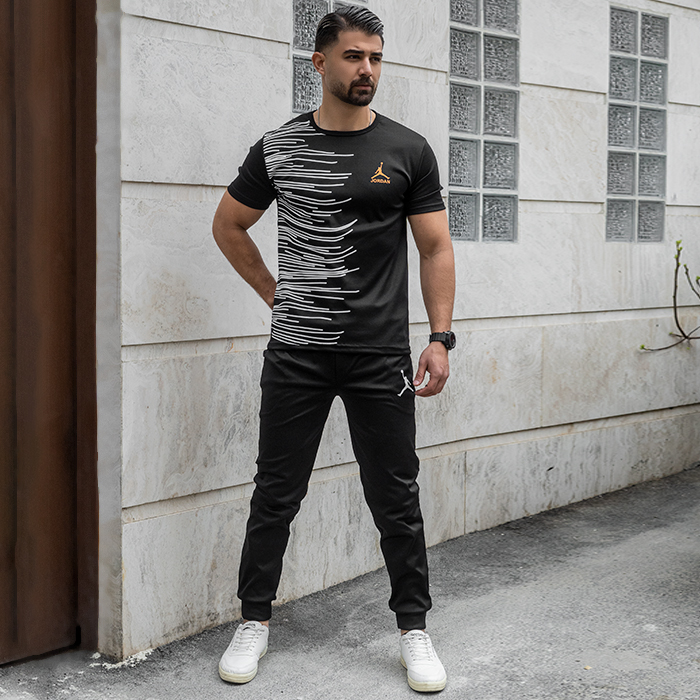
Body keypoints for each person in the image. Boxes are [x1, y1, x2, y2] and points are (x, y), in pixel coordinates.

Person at [212, 5, 456, 693]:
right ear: (319, 63)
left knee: (395, 495)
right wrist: (275, 295)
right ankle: (253, 620)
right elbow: (229, 225)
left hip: (380, 355)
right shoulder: (279, 147)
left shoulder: (408, 150)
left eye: (375, 57)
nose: (367, 68)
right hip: (297, 352)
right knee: (275, 493)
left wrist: (440, 337)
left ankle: (414, 630)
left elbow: (435, 248)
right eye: (354, 56)